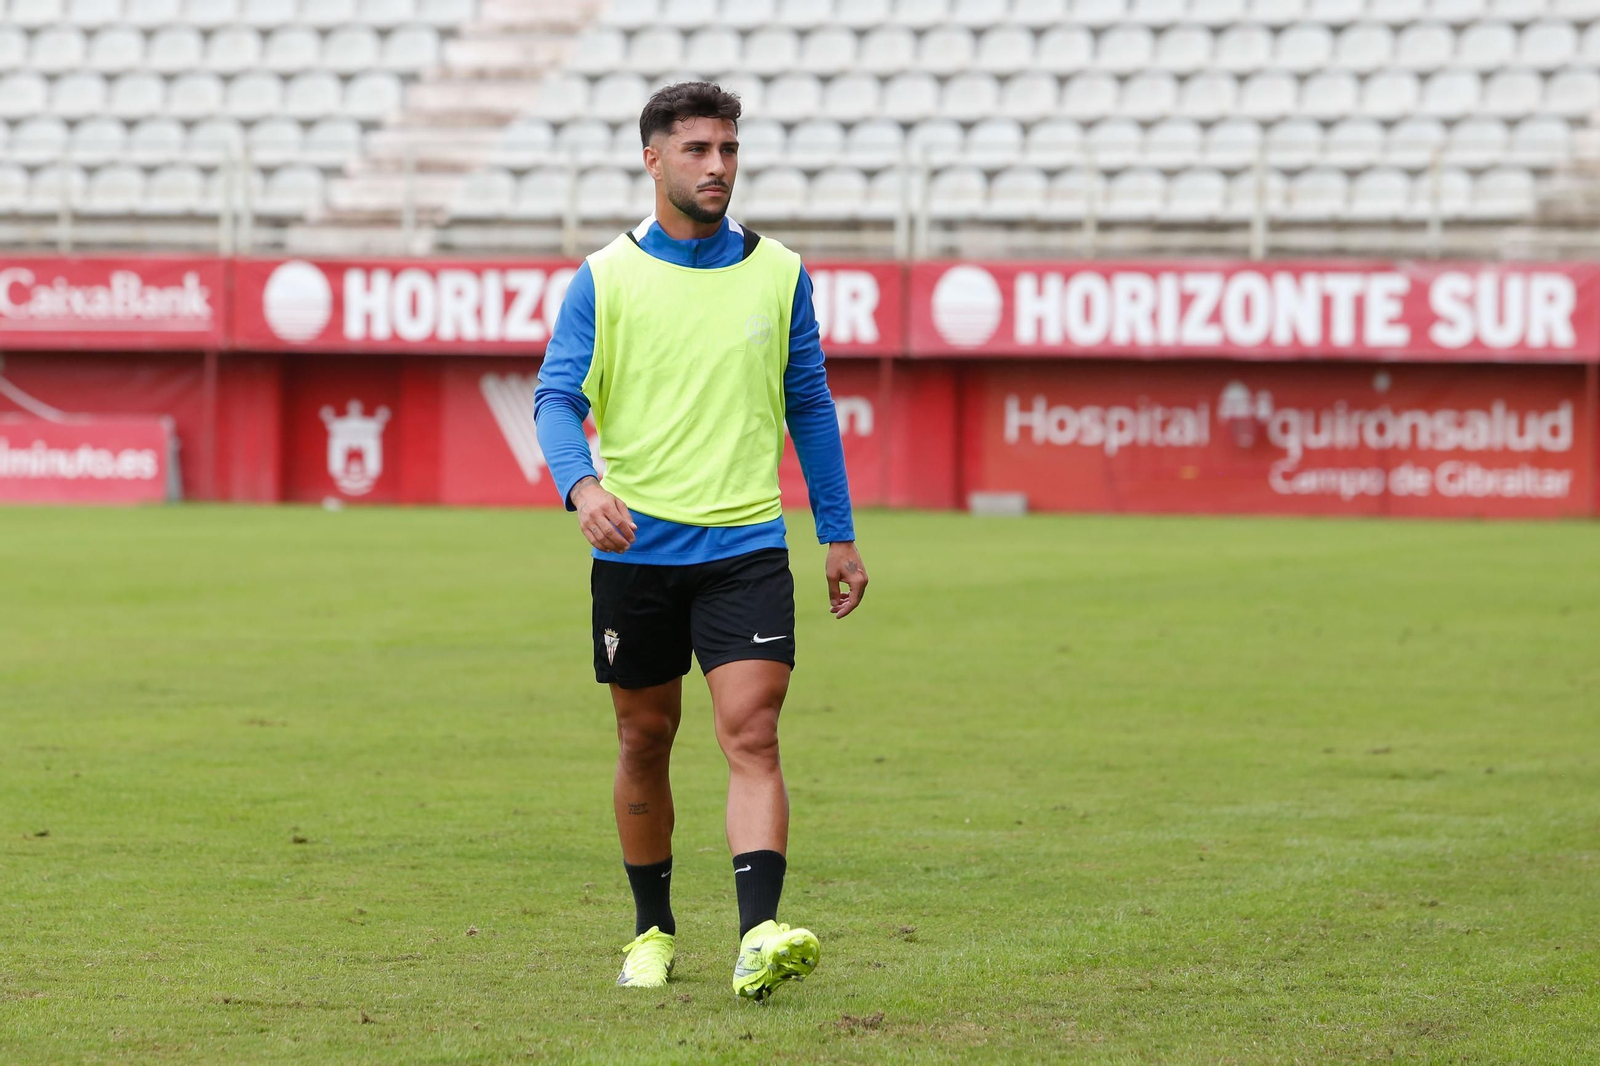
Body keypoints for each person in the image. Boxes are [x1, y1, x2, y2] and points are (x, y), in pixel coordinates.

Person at [532, 81, 868, 1001]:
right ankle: (651, 931)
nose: (718, 166)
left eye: (728, 150)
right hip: (636, 553)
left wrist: (837, 533)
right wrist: (582, 486)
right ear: (653, 160)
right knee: (645, 738)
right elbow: (556, 397)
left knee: (752, 731)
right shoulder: (604, 277)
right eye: (697, 150)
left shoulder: (780, 272)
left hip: (746, 549)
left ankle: (758, 934)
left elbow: (809, 405)